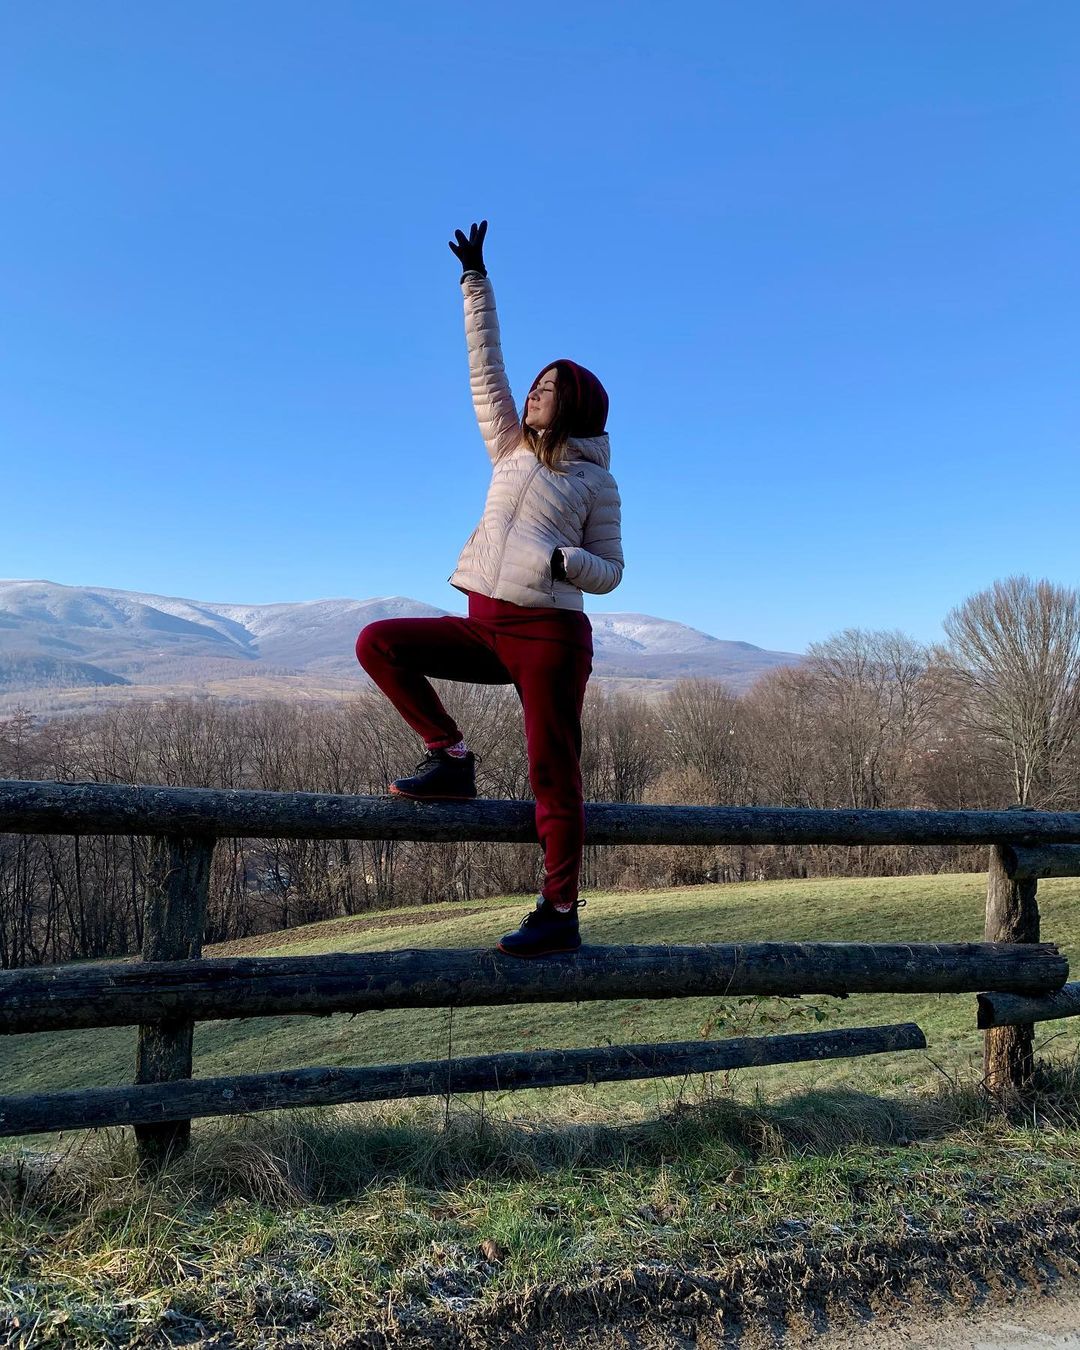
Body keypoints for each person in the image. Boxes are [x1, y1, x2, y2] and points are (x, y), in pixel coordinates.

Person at [355, 220, 624, 958]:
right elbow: (485, 368)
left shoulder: (595, 481)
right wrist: (475, 282)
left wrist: (569, 562)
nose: (532, 395)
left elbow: (611, 570)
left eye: (547, 390)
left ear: (574, 403)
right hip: (483, 626)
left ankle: (559, 910)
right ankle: (451, 758)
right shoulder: (508, 448)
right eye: (534, 387)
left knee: (552, 772)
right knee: (378, 643)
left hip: (549, 637)